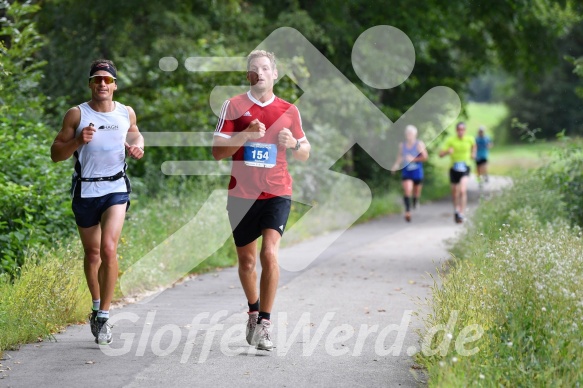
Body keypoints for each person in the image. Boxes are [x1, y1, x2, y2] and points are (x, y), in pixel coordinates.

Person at [212, 50, 310, 351]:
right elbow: (217, 151)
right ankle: (253, 313)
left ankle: (265, 324)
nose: (260, 73)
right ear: (248, 76)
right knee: (247, 261)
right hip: (242, 194)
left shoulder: (289, 110)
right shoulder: (233, 106)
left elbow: (305, 151)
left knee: (269, 253)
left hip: (277, 191)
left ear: (275, 74)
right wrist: (245, 134)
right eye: (254, 69)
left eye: (266, 68)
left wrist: (293, 143)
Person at [50, 59, 144, 345]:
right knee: (93, 255)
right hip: (86, 191)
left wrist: (138, 146)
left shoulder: (126, 112)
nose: (102, 84)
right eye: (96, 79)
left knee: (108, 248)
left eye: (107, 79)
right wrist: (78, 141)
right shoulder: (76, 115)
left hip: (116, 188)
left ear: (114, 85)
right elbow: (56, 154)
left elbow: (135, 134)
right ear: (90, 84)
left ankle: (104, 315)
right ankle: (95, 307)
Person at [439, 122, 476, 224]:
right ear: (456, 131)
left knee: (463, 190)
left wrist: (473, 153)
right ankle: (456, 210)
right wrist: (447, 152)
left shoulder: (470, 139)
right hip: (454, 168)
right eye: (459, 130)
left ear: (465, 130)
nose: (460, 132)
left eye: (462, 130)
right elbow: (440, 154)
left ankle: (461, 213)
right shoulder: (451, 140)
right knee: (455, 192)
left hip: (465, 167)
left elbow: (474, 146)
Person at [391, 125, 428, 222]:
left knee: (416, 192)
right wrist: (395, 165)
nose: (409, 135)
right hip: (406, 171)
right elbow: (399, 157)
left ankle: (415, 200)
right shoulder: (402, 145)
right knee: (407, 189)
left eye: (411, 133)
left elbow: (425, 157)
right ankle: (407, 211)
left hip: (417, 172)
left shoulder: (419, 144)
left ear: (415, 134)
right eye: (407, 133)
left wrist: (414, 159)